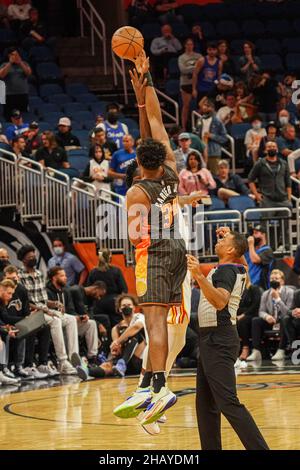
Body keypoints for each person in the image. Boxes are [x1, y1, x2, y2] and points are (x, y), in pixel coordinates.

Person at [117, 55, 187, 426]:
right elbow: (157, 122)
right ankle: (148, 384)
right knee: (158, 321)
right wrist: (144, 86)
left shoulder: (136, 192)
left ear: (137, 162)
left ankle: (159, 388)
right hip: (178, 247)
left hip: (155, 253)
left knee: (154, 322)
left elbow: (134, 236)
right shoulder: (172, 167)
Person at [187, 226, 269, 450]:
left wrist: (198, 276)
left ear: (231, 249)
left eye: (225, 240)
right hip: (213, 338)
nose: (219, 241)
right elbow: (242, 261)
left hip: (218, 339)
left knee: (228, 403)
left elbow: (220, 301)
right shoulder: (237, 267)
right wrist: (235, 238)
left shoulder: (225, 271)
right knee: (205, 405)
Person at [17, 245, 78, 375]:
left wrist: (54, 303)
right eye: (30, 257)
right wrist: (44, 310)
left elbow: (43, 300)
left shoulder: (39, 273)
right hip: (32, 313)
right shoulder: (19, 275)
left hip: (44, 309)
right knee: (55, 321)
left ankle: (74, 357)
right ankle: (63, 362)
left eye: (34, 256)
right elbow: (27, 302)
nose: (33, 258)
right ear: (23, 260)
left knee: (71, 319)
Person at [3, 265, 50, 379]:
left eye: (14, 278)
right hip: (8, 323)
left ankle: (41, 363)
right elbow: (5, 317)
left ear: (18, 277)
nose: (12, 281)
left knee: (43, 326)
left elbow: (25, 311)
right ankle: (18, 366)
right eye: (9, 279)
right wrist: (24, 321)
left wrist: (28, 319)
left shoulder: (22, 290)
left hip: (18, 321)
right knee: (25, 328)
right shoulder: (3, 292)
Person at [47, 267, 99, 364]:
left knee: (90, 323)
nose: (66, 278)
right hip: (56, 324)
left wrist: (80, 317)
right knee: (71, 321)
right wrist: (73, 318)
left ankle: (92, 356)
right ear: (54, 278)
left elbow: (70, 310)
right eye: (62, 276)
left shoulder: (66, 291)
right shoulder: (47, 291)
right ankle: (73, 357)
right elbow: (50, 311)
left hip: (68, 321)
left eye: (65, 275)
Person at [247, 269, 294, 362]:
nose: (274, 280)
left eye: (276, 278)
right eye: (272, 278)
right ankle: (256, 351)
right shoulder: (265, 293)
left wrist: (278, 299)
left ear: (282, 281)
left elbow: (288, 312)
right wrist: (267, 317)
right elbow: (261, 311)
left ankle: (281, 350)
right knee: (256, 320)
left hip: (283, 320)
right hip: (271, 320)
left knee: (285, 319)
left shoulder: (290, 292)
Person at [87, 249, 128, 328]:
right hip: (114, 302)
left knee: (103, 326)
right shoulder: (116, 271)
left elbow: (89, 289)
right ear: (110, 257)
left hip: (98, 304)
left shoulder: (93, 272)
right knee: (118, 326)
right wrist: (121, 303)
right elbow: (124, 289)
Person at [248, 140, 292, 210]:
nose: (272, 148)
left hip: (283, 200)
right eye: (269, 147)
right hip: (267, 201)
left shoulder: (284, 163)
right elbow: (250, 180)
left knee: (285, 220)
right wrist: (257, 195)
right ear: (265, 150)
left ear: (277, 149)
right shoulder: (260, 163)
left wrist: (289, 198)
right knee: (266, 221)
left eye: (274, 146)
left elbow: (288, 182)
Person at [110, 294, 146, 377]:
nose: (126, 307)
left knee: (135, 334)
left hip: (140, 361)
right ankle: (88, 371)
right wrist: (115, 348)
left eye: (129, 305)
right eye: (123, 305)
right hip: (122, 363)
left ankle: (122, 363)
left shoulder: (140, 317)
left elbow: (136, 327)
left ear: (134, 307)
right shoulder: (116, 328)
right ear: (119, 309)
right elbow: (116, 346)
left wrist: (118, 341)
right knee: (107, 367)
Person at [195, 98, 228, 175]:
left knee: (215, 175)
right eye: (204, 106)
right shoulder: (199, 120)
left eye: (207, 106)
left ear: (212, 108)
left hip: (213, 152)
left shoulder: (217, 121)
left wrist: (212, 136)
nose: (204, 107)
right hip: (201, 152)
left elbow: (224, 138)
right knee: (201, 174)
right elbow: (196, 134)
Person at [0, 279, 22, 386]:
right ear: (1, 290)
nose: (11, 296)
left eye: (12, 294)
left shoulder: (2, 301)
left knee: (4, 335)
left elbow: (3, 318)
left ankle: (2, 371)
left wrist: (6, 327)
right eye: (9, 293)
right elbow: (5, 318)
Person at [0, 48, 32, 121]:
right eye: (13, 55)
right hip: (9, 95)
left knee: (23, 115)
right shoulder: (4, 64)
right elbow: (1, 75)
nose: (15, 56)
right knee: (9, 116)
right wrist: (10, 63)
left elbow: (28, 73)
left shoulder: (24, 63)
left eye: (16, 55)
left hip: (22, 94)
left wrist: (20, 63)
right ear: (9, 56)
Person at [178, 38, 202, 130]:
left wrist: (192, 69)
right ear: (185, 45)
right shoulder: (182, 57)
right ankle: (183, 127)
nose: (189, 46)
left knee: (200, 105)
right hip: (185, 83)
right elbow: (183, 70)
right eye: (187, 44)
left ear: (193, 45)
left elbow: (202, 67)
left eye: (191, 44)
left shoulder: (198, 56)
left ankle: (199, 126)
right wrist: (196, 68)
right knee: (186, 106)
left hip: (197, 83)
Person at [236, 284, 263, 361]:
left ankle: (246, 347)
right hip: (240, 314)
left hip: (253, 314)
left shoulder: (254, 288)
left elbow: (256, 304)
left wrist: (244, 314)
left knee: (242, 322)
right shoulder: (239, 290)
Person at [245, 225, 274, 290]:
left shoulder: (267, 250)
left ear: (263, 235)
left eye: (256, 233)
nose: (253, 236)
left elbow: (255, 260)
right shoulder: (249, 250)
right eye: (253, 234)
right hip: (248, 285)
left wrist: (250, 244)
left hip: (261, 287)